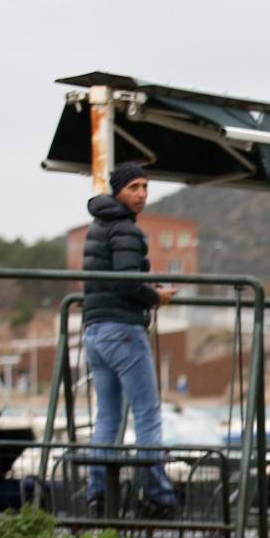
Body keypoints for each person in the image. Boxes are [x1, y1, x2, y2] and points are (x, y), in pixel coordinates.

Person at [83, 162, 178, 518]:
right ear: (119, 190)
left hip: (94, 330)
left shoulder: (98, 224)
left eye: (145, 187)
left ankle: (98, 495)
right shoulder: (125, 229)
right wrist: (156, 296)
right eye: (134, 187)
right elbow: (126, 281)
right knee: (147, 414)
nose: (141, 194)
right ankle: (159, 497)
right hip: (123, 329)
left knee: (107, 416)